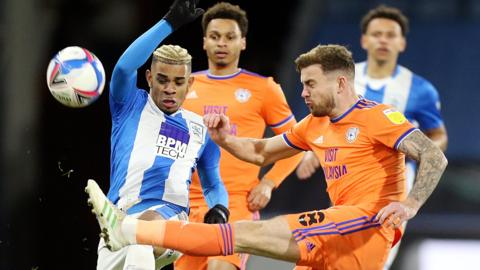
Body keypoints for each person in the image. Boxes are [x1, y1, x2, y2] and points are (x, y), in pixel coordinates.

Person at [86, 44, 448, 270]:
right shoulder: (314, 125)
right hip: (336, 239)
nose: (303, 92)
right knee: (240, 235)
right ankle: (137, 233)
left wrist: (410, 204)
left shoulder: (376, 116)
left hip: (363, 227)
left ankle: (129, 229)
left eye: (310, 84)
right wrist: (224, 138)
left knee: (241, 233)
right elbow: (260, 152)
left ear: (340, 83)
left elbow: (434, 156)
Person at [294, 5, 448, 268]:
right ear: (364, 40)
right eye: (377, 34)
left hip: (393, 181)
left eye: (391, 34)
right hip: (346, 174)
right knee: (338, 246)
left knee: (377, 253)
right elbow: (321, 122)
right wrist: (312, 152)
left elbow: (437, 137)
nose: (383, 40)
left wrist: (410, 152)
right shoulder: (339, 78)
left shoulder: (420, 90)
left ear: (402, 43)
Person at [91, 0, 230, 269]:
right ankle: (124, 229)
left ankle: (131, 229)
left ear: (189, 84)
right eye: (163, 79)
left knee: (147, 230)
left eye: (179, 82)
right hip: (116, 225)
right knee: (136, 245)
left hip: (169, 218)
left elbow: (213, 183)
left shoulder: (201, 130)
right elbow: (122, 69)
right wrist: (169, 23)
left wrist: (219, 208)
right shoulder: (129, 105)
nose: (170, 88)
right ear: (149, 77)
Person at [175, 3, 303, 270]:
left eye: (230, 37)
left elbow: (297, 143)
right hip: (188, 204)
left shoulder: (263, 89)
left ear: (242, 42)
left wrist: (268, 183)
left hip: (236, 202)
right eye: (215, 36)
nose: (222, 43)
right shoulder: (184, 88)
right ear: (204, 42)